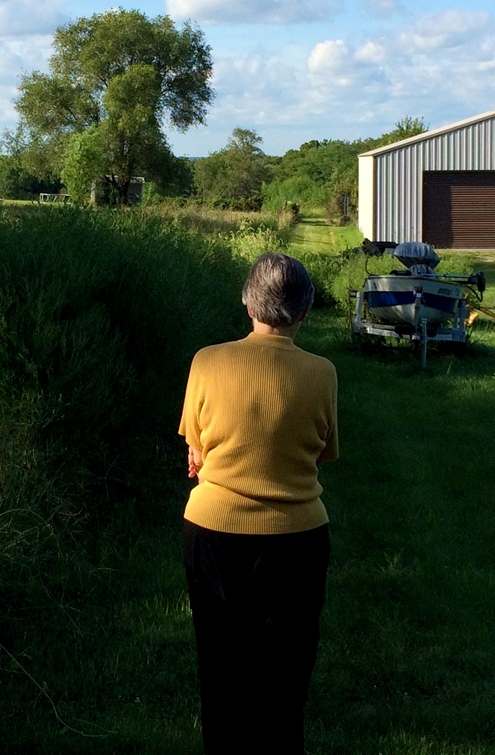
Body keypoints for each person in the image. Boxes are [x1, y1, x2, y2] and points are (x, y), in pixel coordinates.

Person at [178, 251, 339, 755]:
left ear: (248, 303)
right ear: (305, 311)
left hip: (211, 533)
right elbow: (323, 451)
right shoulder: (323, 372)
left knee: (220, 666)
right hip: (297, 538)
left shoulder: (206, 361)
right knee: (285, 675)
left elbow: (196, 450)